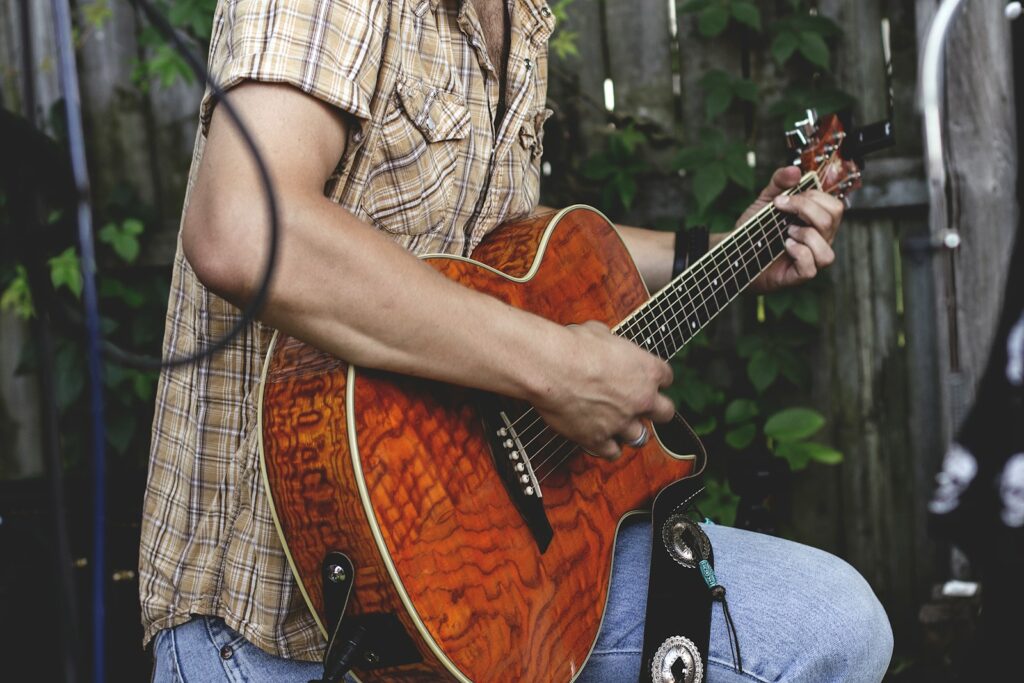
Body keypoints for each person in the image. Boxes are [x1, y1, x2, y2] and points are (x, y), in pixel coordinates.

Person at [140, 0, 894, 681]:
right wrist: (557, 369)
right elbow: (244, 229)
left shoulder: (522, 16)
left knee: (831, 623)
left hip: (492, 560)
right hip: (282, 624)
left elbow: (509, 264)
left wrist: (728, 248)